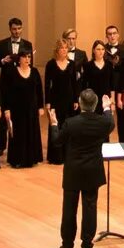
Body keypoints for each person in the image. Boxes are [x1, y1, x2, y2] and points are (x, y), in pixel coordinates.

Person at [57, 87, 116, 248]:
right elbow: (110, 121)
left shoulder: (71, 123)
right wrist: (106, 107)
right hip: (92, 171)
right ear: (95, 104)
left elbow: (56, 141)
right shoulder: (103, 122)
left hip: (73, 171)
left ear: (80, 103)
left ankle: (67, 244)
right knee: (90, 207)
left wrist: (54, 125)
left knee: (69, 208)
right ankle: (87, 244)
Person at [0, 48, 45, 168]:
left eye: (29, 57)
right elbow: (7, 92)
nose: (27, 59)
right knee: (18, 134)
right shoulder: (12, 72)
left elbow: (39, 91)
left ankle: (31, 158)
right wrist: (7, 109)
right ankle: (17, 159)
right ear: (19, 59)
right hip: (16, 110)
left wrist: (41, 106)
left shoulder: (34, 72)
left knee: (31, 132)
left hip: (31, 109)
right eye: (25, 57)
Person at [44, 35, 85, 163]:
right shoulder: (50, 64)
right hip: (56, 99)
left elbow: (75, 84)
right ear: (57, 50)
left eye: (66, 48)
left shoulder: (72, 64)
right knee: (56, 125)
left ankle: (68, 154)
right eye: (61, 48)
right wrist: (48, 103)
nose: (64, 50)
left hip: (69, 100)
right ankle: (55, 156)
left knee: (68, 126)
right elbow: (47, 84)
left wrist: (75, 100)